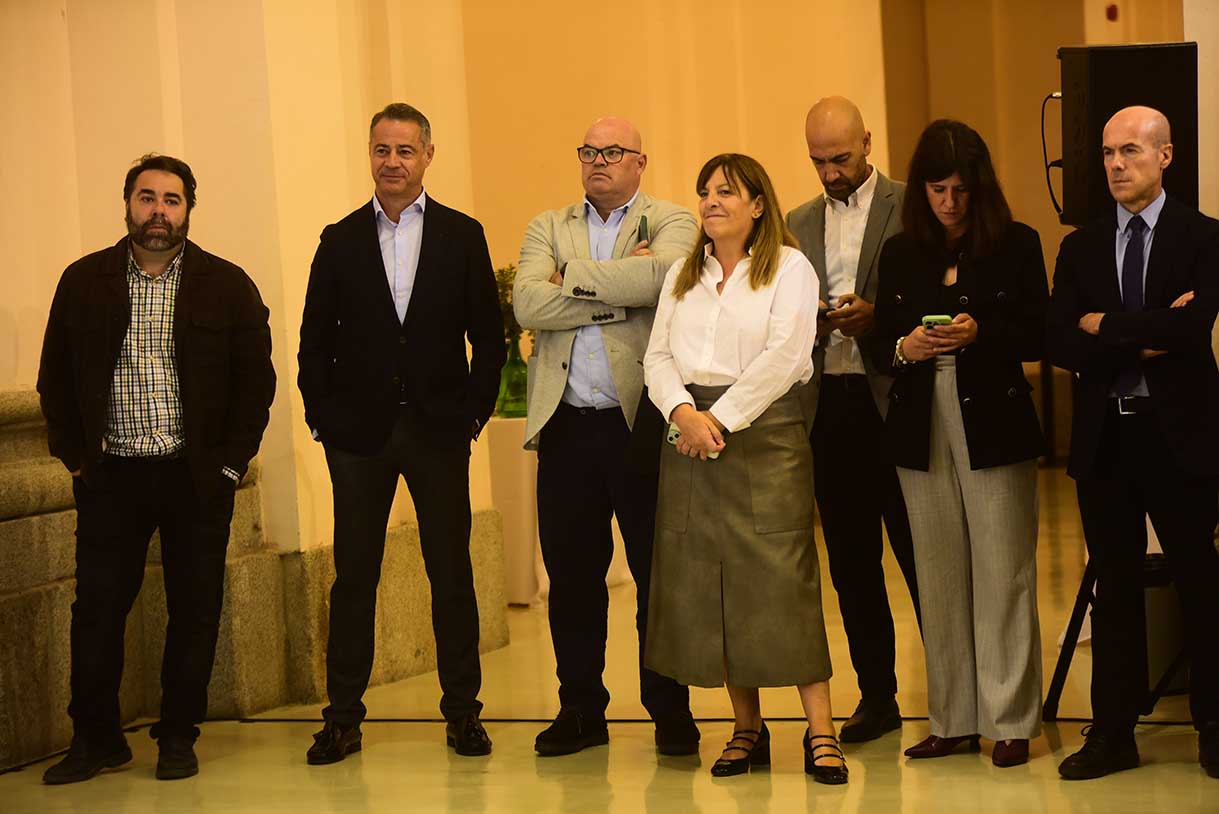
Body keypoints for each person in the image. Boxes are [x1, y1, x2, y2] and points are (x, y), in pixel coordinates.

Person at [37, 154, 276, 783]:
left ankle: (177, 736)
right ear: (128, 204)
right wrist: (76, 459)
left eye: (172, 200)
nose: (159, 212)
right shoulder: (83, 281)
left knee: (194, 610)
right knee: (97, 611)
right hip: (110, 476)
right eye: (147, 198)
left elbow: (256, 385)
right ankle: (95, 739)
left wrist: (230, 467)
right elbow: (54, 377)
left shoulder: (227, 285)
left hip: (195, 478)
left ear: (189, 209)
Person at [298, 103, 504, 764]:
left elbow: (489, 339)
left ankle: (463, 713)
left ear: (427, 156)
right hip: (357, 439)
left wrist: (472, 414)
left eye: (405, 150)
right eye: (382, 150)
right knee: (354, 578)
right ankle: (342, 719)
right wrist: (323, 419)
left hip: (439, 432)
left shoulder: (462, 236)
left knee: (451, 575)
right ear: (370, 154)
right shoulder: (339, 239)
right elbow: (312, 341)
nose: (392, 162)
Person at [644, 152, 847, 784]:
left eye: (726, 191)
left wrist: (720, 420)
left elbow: (786, 355)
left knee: (785, 579)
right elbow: (656, 357)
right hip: (691, 436)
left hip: (764, 435)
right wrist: (683, 413)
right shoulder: (683, 273)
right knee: (715, 583)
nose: (711, 201)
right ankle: (746, 729)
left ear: (758, 205)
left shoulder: (789, 267)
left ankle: (821, 731)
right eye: (705, 191)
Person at [513, 116, 700, 757]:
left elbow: (667, 280)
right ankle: (580, 710)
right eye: (589, 151)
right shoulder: (548, 225)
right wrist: (621, 291)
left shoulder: (672, 220)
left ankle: (669, 710)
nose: (598, 161)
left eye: (612, 152)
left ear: (639, 162)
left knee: (655, 572)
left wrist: (571, 277)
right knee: (571, 579)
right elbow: (528, 304)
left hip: (640, 424)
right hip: (566, 426)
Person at [1047, 105, 1219, 781]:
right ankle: (1113, 734)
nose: (1115, 165)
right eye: (1107, 153)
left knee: (1200, 582)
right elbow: (1061, 341)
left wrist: (1105, 325)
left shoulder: (1202, 237)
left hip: (1181, 437)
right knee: (1113, 590)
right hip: (1107, 438)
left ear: (1164, 156)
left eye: (1130, 151)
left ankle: (1213, 726)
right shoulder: (1080, 247)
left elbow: (1191, 330)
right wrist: (1145, 331)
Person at [871, 120, 1046, 768]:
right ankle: (952, 718)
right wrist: (905, 346)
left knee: (1003, 571)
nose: (949, 202)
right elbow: (880, 343)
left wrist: (981, 333)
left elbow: (1039, 333)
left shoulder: (1016, 244)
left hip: (993, 417)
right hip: (919, 423)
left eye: (960, 190)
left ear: (980, 187)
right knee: (939, 574)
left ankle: (1010, 719)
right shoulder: (900, 252)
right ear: (920, 189)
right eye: (937, 189)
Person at [786, 96, 921, 743]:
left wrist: (879, 317)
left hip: (895, 398)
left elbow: (931, 298)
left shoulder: (909, 206)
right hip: (829, 404)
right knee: (851, 562)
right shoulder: (796, 221)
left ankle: (958, 690)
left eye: (839, 158)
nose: (829, 172)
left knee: (921, 553)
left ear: (867, 143)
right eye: (817, 161)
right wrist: (807, 322)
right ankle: (877, 695)